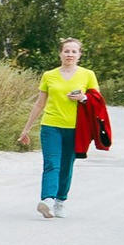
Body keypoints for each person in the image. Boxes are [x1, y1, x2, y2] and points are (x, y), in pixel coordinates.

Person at [35, 37, 97, 218]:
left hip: (76, 128)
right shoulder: (49, 75)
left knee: (66, 165)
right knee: (51, 164)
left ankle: (60, 200)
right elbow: (40, 103)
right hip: (51, 125)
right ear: (60, 53)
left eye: (73, 51)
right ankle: (47, 199)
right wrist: (26, 128)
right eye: (66, 51)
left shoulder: (87, 75)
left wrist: (83, 98)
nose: (69, 54)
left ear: (79, 55)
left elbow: (97, 101)